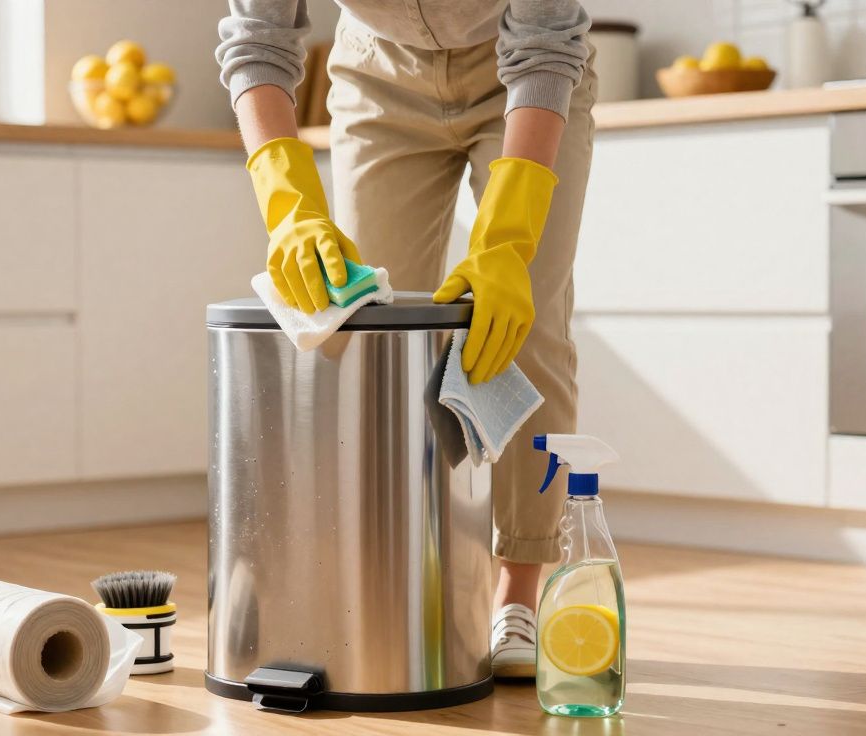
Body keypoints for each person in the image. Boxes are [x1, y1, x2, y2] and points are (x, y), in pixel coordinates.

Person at [217, 1, 595, 678]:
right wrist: (289, 210)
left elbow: (544, 43)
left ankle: (518, 592)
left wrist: (506, 240)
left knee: (524, 320)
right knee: (368, 333)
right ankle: (395, 578)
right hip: (378, 73)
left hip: (521, 74)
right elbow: (256, 37)